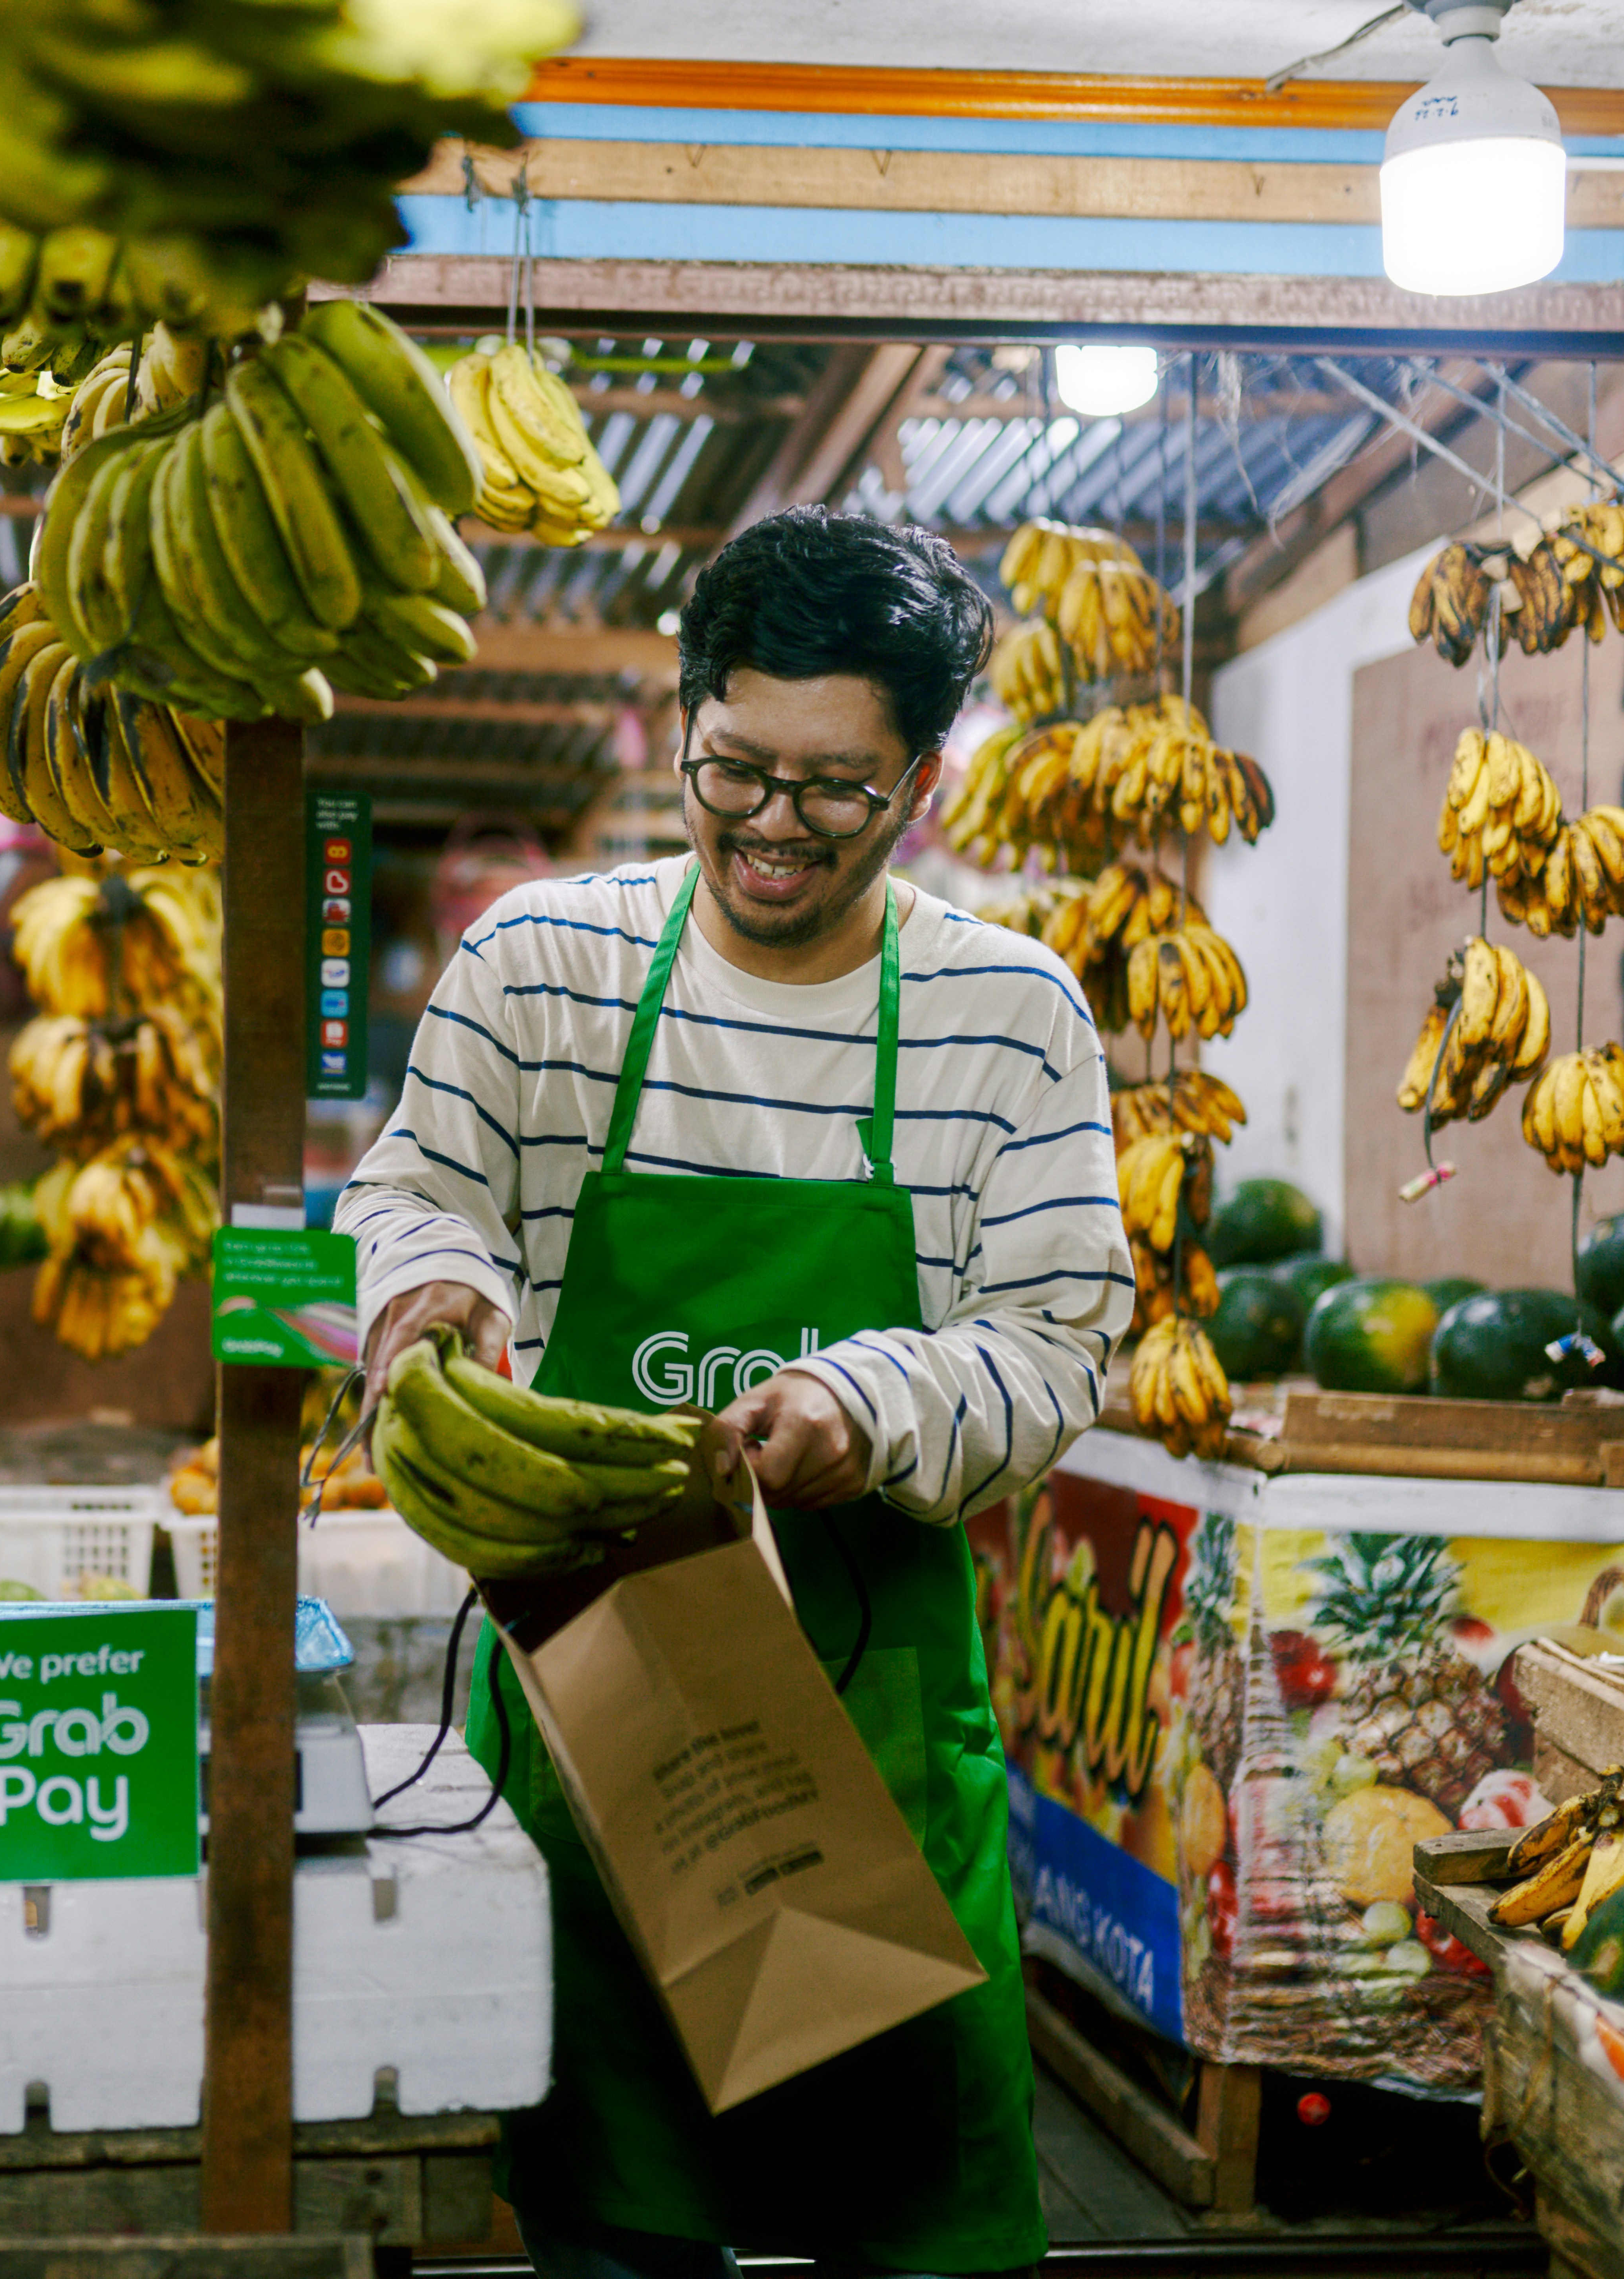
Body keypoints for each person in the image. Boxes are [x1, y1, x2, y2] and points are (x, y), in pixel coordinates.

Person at [336, 507, 1132, 2279]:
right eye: (732, 766)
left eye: (834, 788)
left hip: (871, 1742)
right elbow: (408, 1186)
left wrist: (873, 1402)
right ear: (687, 719)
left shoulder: (1009, 1015)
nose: (770, 822)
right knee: (612, 2232)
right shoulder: (540, 963)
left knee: (912, 2225)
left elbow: (1062, 1330)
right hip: (596, 1737)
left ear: (921, 778)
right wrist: (431, 1275)